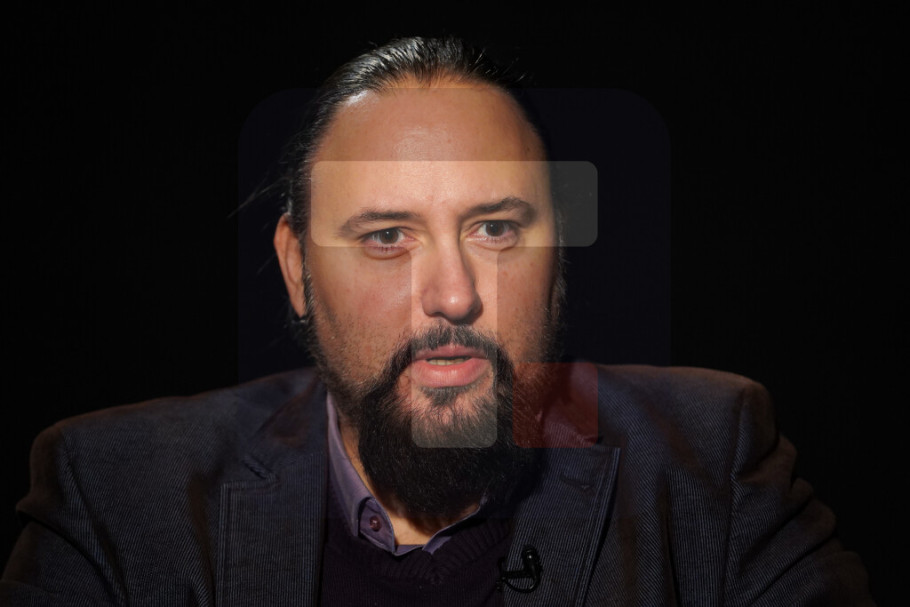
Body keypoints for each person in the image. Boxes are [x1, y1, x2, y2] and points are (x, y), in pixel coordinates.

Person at [1, 36, 874, 606]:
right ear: (298, 269)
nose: (453, 296)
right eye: (387, 237)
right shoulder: (116, 496)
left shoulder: (714, 464)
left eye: (495, 229)